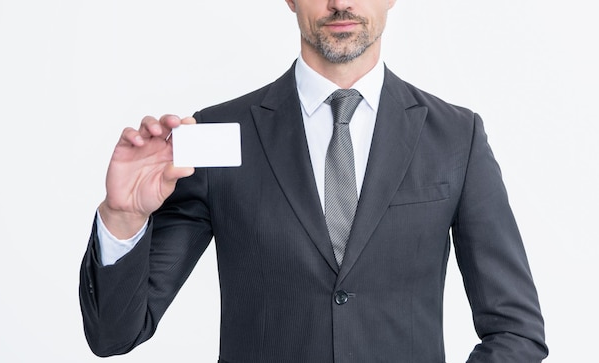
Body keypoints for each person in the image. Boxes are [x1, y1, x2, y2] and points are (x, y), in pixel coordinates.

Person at [79, 0, 548, 361]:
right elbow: (114, 335)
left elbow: (516, 328)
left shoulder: (455, 138)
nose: (339, 2)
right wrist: (124, 216)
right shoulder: (216, 136)